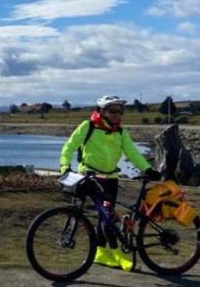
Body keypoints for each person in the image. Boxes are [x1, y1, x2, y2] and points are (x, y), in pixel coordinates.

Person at [59, 96, 162, 271]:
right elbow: (69, 146)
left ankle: (109, 254)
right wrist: (65, 167)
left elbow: (132, 153)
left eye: (120, 111)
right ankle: (110, 253)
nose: (117, 115)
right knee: (105, 216)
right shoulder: (88, 126)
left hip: (111, 180)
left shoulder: (121, 132)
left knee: (105, 217)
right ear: (101, 111)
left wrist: (147, 168)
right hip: (90, 178)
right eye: (112, 111)